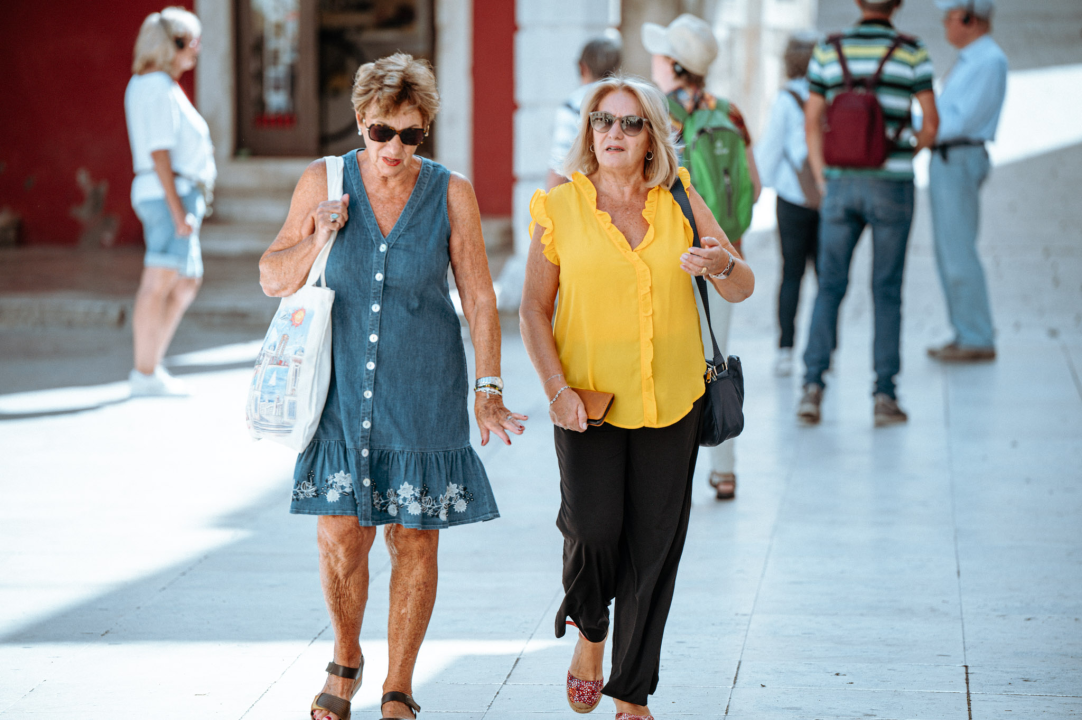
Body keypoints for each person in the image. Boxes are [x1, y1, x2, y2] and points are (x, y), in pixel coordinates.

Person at [258, 53, 526, 720]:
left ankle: (399, 684)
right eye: (381, 133)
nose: (394, 150)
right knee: (342, 533)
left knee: (415, 538)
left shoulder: (450, 191)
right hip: (340, 393)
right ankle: (346, 657)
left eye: (410, 135)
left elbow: (482, 299)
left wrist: (487, 386)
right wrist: (316, 232)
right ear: (359, 124)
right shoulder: (321, 182)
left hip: (423, 390)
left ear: (425, 132)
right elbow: (271, 276)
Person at [520, 76, 754, 720]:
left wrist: (719, 265)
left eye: (629, 123)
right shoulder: (559, 205)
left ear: (652, 135)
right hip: (587, 403)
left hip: (672, 399)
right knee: (594, 532)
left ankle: (631, 694)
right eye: (602, 121)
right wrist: (555, 390)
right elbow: (534, 311)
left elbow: (743, 286)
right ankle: (591, 629)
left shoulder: (679, 199)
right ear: (588, 131)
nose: (613, 134)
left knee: (654, 550)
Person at [797, 0, 939, 427]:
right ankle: (884, 395)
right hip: (891, 185)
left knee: (829, 287)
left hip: (840, 184)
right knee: (887, 290)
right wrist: (904, 153)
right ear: (897, 4)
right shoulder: (912, 50)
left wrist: (825, 178)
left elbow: (811, 121)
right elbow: (931, 123)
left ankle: (812, 387)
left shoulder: (828, 49)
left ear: (858, 3)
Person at [644, 13, 760, 500]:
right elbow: (753, 183)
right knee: (716, 358)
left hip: (672, 261)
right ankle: (725, 468)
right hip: (722, 256)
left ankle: (676, 467)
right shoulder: (729, 112)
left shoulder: (656, 116)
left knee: (674, 363)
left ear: (672, 63)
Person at [124, 7, 215, 396]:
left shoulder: (151, 84)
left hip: (172, 193)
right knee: (158, 282)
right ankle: (145, 374)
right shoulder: (158, 86)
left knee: (186, 280)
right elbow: (159, 152)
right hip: (169, 196)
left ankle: (150, 368)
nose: (196, 50)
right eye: (191, 42)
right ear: (172, 44)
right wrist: (179, 213)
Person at [927, 0, 1006, 362]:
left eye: (949, 18)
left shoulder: (989, 61)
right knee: (949, 250)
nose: (945, 25)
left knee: (958, 251)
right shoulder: (971, 59)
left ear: (969, 19)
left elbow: (957, 120)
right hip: (949, 157)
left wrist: (920, 128)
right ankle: (966, 330)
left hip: (958, 156)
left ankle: (976, 335)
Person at [755, 33, 821, 378]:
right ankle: (825, 348)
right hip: (829, 195)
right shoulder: (831, 93)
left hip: (793, 200)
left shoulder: (786, 99)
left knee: (791, 273)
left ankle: (785, 349)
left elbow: (767, 160)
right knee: (828, 278)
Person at [547, 33, 622, 190]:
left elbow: (559, 162)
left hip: (584, 196)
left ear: (583, 67)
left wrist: (547, 207)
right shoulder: (627, 102)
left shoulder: (572, 106)